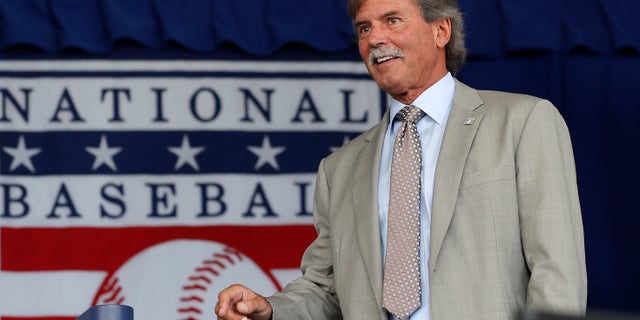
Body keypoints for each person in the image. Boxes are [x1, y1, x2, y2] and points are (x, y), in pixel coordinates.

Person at [215, 0, 587, 319]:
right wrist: (272, 308)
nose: (375, 38)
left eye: (392, 20)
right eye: (364, 28)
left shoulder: (522, 121)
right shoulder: (339, 168)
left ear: (441, 30)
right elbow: (326, 290)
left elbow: (557, 272)